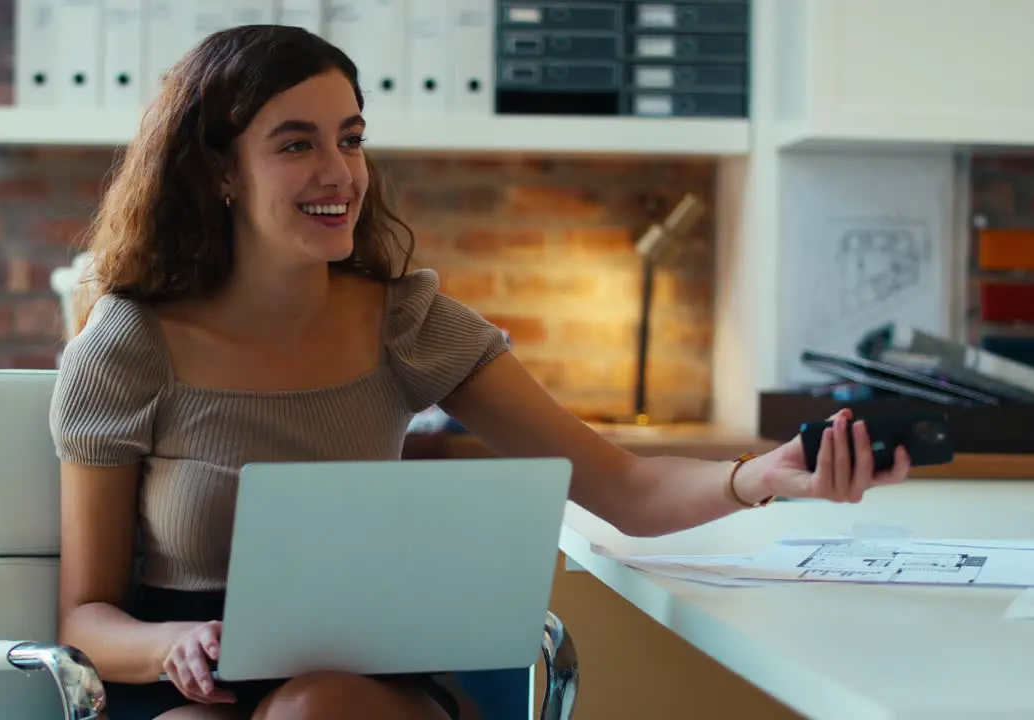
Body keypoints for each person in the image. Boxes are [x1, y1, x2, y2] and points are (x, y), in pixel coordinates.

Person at [49, 24, 912, 720]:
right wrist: (172, 646)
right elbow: (83, 621)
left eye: (350, 139)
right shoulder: (127, 345)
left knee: (316, 712)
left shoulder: (405, 322)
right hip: (183, 681)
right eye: (296, 143)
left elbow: (623, 487)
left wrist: (758, 478)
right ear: (218, 171)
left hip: (365, 688)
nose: (338, 173)